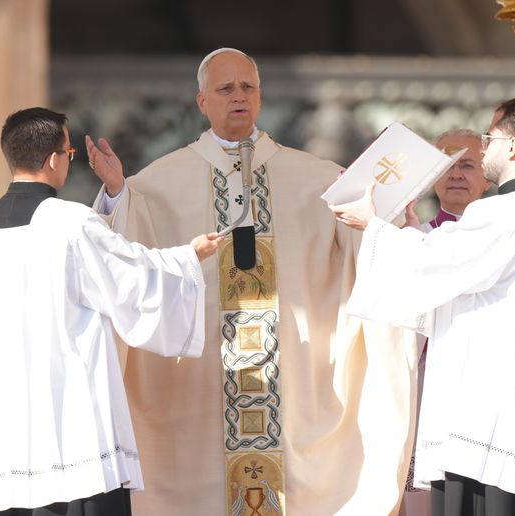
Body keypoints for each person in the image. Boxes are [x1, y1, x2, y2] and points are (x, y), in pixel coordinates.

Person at [86, 48, 414, 515]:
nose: (239, 97)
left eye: (248, 87)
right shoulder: (157, 184)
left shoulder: (317, 178)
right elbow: (126, 255)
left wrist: (383, 201)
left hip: (294, 380)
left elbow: (365, 245)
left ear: (260, 96)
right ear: (201, 101)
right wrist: (119, 195)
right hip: (201, 386)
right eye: (225, 89)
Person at [330, 97, 515, 516]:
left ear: (512, 146)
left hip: (494, 422)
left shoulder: (505, 212)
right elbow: (454, 270)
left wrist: (374, 224)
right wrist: (408, 227)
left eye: (489, 139)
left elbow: (429, 267)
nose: (484, 147)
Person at [0, 107, 221, 516]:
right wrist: (188, 256)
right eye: (70, 153)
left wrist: (113, 193)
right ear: (56, 159)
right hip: (65, 418)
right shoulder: (70, 222)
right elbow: (128, 280)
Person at [402, 128, 490, 516]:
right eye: (447, 165)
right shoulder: (412, 239)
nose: (456, 174)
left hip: (486, 391)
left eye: (467, 165)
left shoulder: (505, 235)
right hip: (425, 389)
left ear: (488, 176)